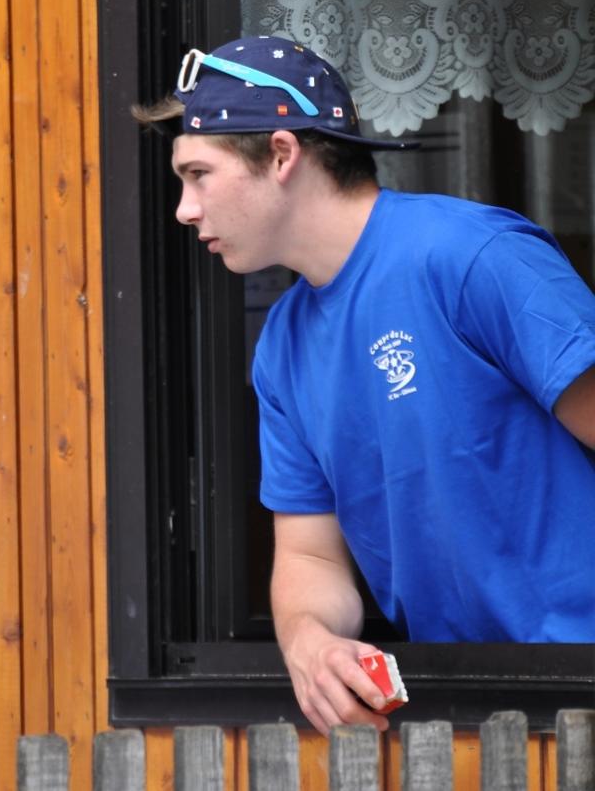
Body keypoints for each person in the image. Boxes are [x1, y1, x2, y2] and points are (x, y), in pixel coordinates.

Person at [134, 36, 595, 735]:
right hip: (463, 712)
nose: (185, 209)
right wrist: (310, 641)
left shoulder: (469, 256)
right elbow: (310, 554)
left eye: (198, 174)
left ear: (282, 155)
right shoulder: (282, 347)